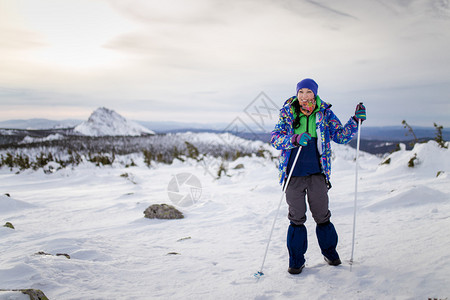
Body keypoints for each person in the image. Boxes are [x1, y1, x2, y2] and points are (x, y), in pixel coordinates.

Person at [270, 78, 366, 274]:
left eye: (308, 92)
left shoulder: (324, 113)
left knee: (322, 216)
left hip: (317, 173)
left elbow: (340, 135)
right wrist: (294, 139)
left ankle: (330, 253)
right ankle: (296, 260)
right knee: (296, 218)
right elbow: (275, 139)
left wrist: (355, 121)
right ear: (297, 93)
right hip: (293, 175)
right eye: (301, 92)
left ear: (315, 93)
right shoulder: (288, 112)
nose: (304, 96)